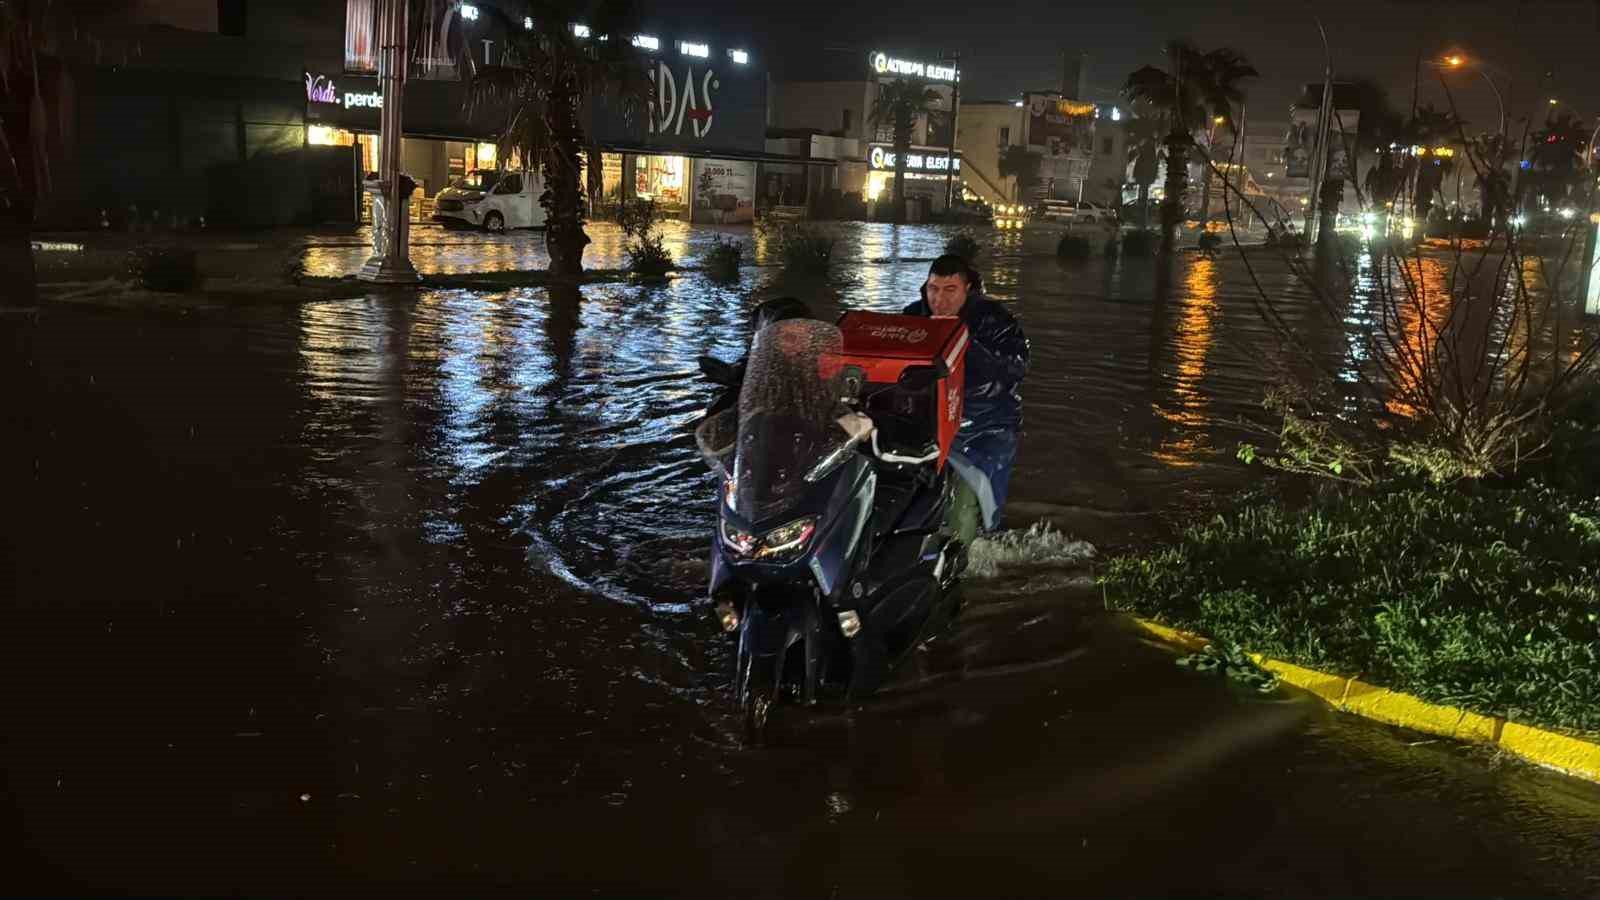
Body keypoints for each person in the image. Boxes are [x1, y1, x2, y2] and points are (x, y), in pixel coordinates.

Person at [903, 255, 1029, 547]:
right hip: (930, 424)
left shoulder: (995, 319)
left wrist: (962, 345)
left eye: (950, 290)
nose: (940, 300)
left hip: (987, 426)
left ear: (967, 289)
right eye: (934, 289)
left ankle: (976, 550)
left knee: (970, 512)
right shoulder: (913, 316)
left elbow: (1016, 368)